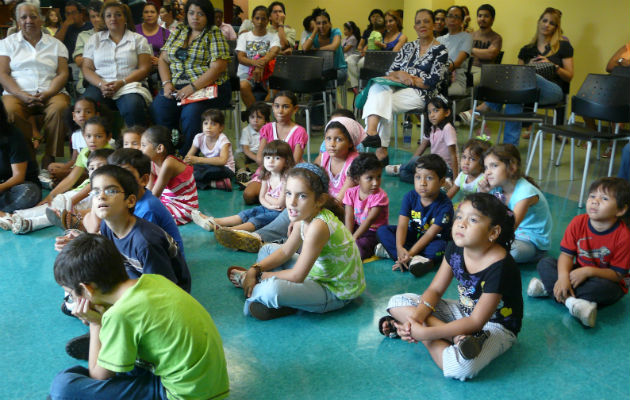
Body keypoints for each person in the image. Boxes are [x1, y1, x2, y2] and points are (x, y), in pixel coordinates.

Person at [48, 234, 228, 399]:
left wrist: (96, 324)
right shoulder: (154, 280)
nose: (72, 300)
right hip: (209, 385)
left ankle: (106, 352)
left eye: (71, 294)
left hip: (180, 395)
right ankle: (110, 353)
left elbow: (97, 377)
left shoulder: (119, 315)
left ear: (87, 289)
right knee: (105, 369)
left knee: (63, 386)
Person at [379, 193, 522, 381]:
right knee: (396, 301)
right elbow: (435, 290)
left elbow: (476, 322)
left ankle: (432, 336)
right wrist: (416, 318)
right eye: (460, 216)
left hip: (494, 326)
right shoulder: (455, 248)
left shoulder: (501, 266)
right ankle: (456, 338)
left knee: (459, 367)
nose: (461, 224)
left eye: (473, 219)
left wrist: (425, 333)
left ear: (493, 233)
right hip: (463, 311)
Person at [226, 163, 366, 320]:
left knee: (271, 289)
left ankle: (259, 288)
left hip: (335, 291)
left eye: (302, 196)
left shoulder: (319, 226)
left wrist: (259, 275)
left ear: (320, 200)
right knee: (267, 250)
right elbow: (286, 251)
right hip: (316, 273)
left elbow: (297, 275)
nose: (291, 203)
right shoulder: (304, 215)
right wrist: (254, 269)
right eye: (288, 193)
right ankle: (286, 300)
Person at [528, 177, 630, 327]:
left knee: (604, 290)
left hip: (607, 281)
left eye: (604, 198)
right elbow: (566, 255)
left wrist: (588, 271)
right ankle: (573, 303)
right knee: (545, 263)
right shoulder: (578, 222)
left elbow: (617, 275)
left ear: (621, 210)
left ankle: (548, 289)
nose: (595, 201)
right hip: (576, 273)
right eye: (592, 196)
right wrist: (563, 277)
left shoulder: (624, 236)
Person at [361, 9, 449, 163]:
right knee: (378, 87)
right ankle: (373, 133)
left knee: (380, 102)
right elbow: (391, 72)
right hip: (397, 86)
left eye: (426, 21)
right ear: (414, 27)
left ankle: (379, 146)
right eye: (418, 22)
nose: (422, 25)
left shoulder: (441, 51)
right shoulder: (408, 47)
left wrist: (412, 80)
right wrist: (401, 75)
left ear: (434, 25)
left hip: (422, 93)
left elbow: (432, 82)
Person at [482, 7, 574, 145]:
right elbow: (516, 77)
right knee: (515, 94)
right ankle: (510, 147)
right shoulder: (527, 49)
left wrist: (553, 66)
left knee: (526, 78)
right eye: (545, 20)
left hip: (553, 91)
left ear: (556, 27)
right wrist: (527, 68)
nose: (547, 25)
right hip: (528, 92)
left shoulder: (563, 47)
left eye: (552, 23)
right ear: (539, 22)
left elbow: (569, 76)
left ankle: (487, 105)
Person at [151, 0, 231, 155]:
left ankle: (187, 155)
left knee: (192, 113)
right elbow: (162, 59)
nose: (195, 17)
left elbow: (218, 67)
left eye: (200, 14)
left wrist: (192, 87)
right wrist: (167, 83)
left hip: (207, 87)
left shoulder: (214, 33)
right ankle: (167, 152)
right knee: (159, 108)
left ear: (208, 16)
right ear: (186, 15)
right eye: (192, 13)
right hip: (177, 86)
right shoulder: (179, 30)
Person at [0, 2, 70, 169]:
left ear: (41, 20)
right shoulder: (7, 44)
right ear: (17, 21)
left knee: (60, 108)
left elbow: (63, 73)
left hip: (51, 92)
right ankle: (27, 157)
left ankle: (50, 156)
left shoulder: (56, 44)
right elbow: (3, 74)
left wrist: (48, 93)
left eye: (33, 16)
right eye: (23, 17)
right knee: (9, 110)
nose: (28, 20)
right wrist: (21, 94)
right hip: (16, 93)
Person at [376, 154, 454, 276]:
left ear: (442, 181)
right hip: (413, 235)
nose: (422, 183)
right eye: (418, 177)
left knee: (441, 248)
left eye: (429, 178)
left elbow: (430, 234)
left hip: (434, 240)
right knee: (382, 231)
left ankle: (404, 257)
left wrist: (410, 252)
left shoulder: (445, 206)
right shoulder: (410, 197)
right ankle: (410, 260)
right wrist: (399, 246)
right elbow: (402, 225)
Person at [193, 140, 293, 233]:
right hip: (267, 206)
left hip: (280, 214)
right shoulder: (266, 176)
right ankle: (213, 221)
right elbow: (262, 197)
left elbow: (280, 204)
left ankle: (229, 231)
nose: (271, 161)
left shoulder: (286, 180)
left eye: (277, 158)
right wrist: (268, 203)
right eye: (268, 157)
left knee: (257, 219)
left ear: (286, 162)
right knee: (247, 213)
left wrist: (267, 197)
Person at [5, 148, 111, 234]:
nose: (96, 170)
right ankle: (15, 217)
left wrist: (70, 210)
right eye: (92, 168)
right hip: (70, 202)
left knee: (51, 215)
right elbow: (75, 196)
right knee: (48, 209)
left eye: (101, 167)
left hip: (74, 206)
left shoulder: (107, 188)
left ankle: (28, 223)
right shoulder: (93, 184)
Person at [82, 0, 152, 128]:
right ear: (104, 19)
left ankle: (136, 143)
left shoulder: (138, 39)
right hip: (100, 85)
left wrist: (122, 82)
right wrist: (101, 84)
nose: (113, 18)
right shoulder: (94, 39)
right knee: (86, 105)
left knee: (132, 106)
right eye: (108, 15)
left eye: (118, 14)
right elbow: (87, 68)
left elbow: (144, 68)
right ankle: (94, 143)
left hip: (129, 85)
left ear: (125, 18)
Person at [480, 144, 552, 264]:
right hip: (504, 233)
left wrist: (485, 239)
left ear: (512, 167)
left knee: (514, 251)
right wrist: (483, 193)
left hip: (530, 241)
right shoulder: (496, 188)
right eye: (486, 167)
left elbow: (511, 227)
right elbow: (484, 215)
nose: (487, 172)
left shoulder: (525, 192)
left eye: (494, 166)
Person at [106, 148, 184, 254]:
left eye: (126, 174)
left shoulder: (148, 209)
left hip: (165, 263)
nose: (118, 181)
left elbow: (146, 247)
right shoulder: (128, 199)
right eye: (114, 175)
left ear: (143, 180)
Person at [242, 91, 306, 205]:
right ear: (272, 107)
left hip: (289, 174)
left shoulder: (299, 131)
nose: (280, 110)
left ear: (295, 109)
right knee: (248, 195)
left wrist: (279, 175)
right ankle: (270, 198)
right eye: (277, 106)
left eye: (285, 106)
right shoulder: (267, 128)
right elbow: (260, 158)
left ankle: (271, 198)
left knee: (286, 197)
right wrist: (270, 171)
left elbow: (294, 162)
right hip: (268, 171)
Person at [40, 116, 113, 206]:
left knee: (57, 208)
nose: (92, 140)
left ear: (108, 137)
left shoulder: (110, 155)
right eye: (88, 136)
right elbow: (71, 178)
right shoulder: (84, 152)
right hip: (81, 191)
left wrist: (72, 201)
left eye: (98, 136)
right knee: (48, 205)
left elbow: (96, 183)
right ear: (83, 135)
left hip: (97, 195)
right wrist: (51, 196)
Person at [386, 95, 458, 183]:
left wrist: (456, 179)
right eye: (429, 112)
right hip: (435, 166)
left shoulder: (447, 128)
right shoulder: (432, 128)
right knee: (404, 174)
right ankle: (439, 182)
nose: (432, 115)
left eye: (436, 110)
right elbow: (422, 147)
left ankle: (400, 167)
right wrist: (411, 165)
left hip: (446, 168)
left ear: (447, 112)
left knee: (417, 161)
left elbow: (453, 155)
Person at [141, 125, 199, 225]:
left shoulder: (169, 163)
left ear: (159, 148)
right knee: (143, 209)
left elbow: (154, 196)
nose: (139, 148)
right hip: (168, 198)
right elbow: (149, 192)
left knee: (150, 215)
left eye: (143, 145)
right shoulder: (151, 163)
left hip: (184, 205)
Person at [344, 153, 389, 259]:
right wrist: (348, 236)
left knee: (359, 248)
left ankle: (378, 248)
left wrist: (353, 238)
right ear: (357, 178)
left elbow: (369, 220)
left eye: (378, 177)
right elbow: (349, 216)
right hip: (357, 226)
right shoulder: (350, 193)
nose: (375, 183)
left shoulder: (380, 196)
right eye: (370, 178)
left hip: (373, 231)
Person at [0, 102, 41, 218]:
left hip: (14, 186)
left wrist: (1, 187)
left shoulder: (12, 134)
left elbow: (18, 176)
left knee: (30, 193)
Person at [46, 97, 99, 185]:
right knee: (52, 166)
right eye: (78, 112)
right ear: (74, 116)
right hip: (79, 167)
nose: (82, 115)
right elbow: (74, 160)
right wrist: (63, 169)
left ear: (96, 115)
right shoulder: (75, 135)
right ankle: (61, 179)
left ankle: (60, 180)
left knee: (64, 173)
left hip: (92, 169)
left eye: (88, 112)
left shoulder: (99, 135)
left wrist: (65, 172)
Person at [236, 5, 280, 108]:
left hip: (268, 73)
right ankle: (255, 114)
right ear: (252, 20)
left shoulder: (273, 36)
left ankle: (263, 115)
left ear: (268, 20)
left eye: (263, 19)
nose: (260, 22)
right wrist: (255, 63)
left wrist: (260, 65)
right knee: (243, 86)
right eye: (257, 18)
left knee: (275, 89)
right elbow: (241, 58)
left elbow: (274, 51)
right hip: (246, 73)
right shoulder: (244, 36)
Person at [184, 109, 235, 191]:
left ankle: (195, 180)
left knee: (199, 174)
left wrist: (199, 159)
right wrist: (184, 166)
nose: (208, 127)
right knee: (190, 170)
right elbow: (188, 156)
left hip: (225, 169)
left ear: (221, 128)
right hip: (208, 166)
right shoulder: (199, 137)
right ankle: (216, 184)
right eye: (206, 123)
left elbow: (222, 161)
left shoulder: (223, 140)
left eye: (213, 124)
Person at [314, 116, 363, 201]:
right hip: (327, 203)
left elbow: (340, 200)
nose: (332, 144)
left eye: (339, 139)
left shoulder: (354, 163)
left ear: (350, 143)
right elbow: (311, 182)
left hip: (347, 207)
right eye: (328, 138)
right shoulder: (322, 158)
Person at [303, 7, 348, 88]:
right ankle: (319, 99)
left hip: (340, 71)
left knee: (325, 78)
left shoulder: (335, 32)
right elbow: (305, 48)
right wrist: (314, 32)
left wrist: (317, 50)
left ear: (330, 24)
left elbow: (334, 46)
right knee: (315, 76)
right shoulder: (313, 36)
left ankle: (330, 100)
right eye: (318, 23)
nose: (321, 26)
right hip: (322, 72)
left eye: (324, 23)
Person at [437, 6, 472, 97]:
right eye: (450, 16)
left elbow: (457, 63)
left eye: (456, 17)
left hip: (456, 81)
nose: (452, 20)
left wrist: (437, 72)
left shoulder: (466, 37)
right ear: (446, 19)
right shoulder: (439, 39)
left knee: (431, 91)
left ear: (461, 21)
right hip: (437, 78)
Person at [73, 1, 105, 95]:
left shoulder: (113, 33)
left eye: (99, 16)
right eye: (93, 16)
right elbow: (79, 61)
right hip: (87, 80)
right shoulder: (83, 36)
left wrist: (90, 58)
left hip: (111, 78)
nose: (96, 20)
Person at [346, 9, 383, 90]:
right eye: (373, 16)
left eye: (378, 16)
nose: (375, 18)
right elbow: (360, 46)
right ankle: (355, 85)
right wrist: (362, 50)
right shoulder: (367, 31)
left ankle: (361, 85)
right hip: (363, 53)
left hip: (374, 55)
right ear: (370, 18)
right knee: (349, 60)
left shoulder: (382, 30)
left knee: (361, 63)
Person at [469, 4, 502, 86]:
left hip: (485, 72)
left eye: (486, 16)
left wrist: (471, 49)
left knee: (473, 81)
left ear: (492, 19)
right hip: (467, 69)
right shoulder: (470, 35)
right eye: (480, 16)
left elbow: (490, 54)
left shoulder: (496, 38)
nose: (482, 19)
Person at [237, 101, 270, 175]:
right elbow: (246, 150)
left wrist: (261, 159)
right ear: (248, 118)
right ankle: (242, 171)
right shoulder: (246, 130)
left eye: (259, 117)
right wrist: (256, 158)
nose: (255, 120)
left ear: (266, 120)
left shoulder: (268, 130)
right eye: (252, 117)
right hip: (249, 154)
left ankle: (252, 170)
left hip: (263, 155)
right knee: (238, 156)